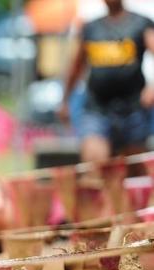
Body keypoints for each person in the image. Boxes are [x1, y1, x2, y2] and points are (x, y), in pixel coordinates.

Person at [58, 0, 154, 163]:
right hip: (97, 110)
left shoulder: (141, 23)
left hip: (132, 110)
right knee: (94, 164)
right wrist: (65, 100)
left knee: (134, 173)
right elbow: (76, 67)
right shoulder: (91, 28)